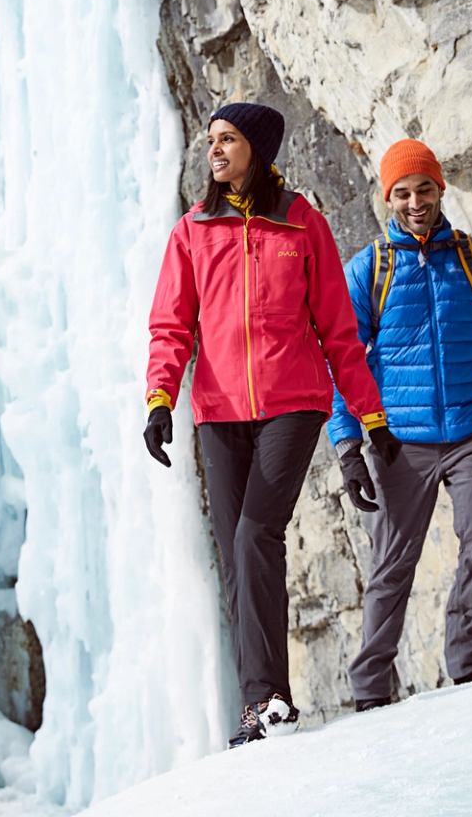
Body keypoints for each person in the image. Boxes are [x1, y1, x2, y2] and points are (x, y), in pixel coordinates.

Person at [143, 101, 401, 747]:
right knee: (235, 556)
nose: (215, 152)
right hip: (219, 411)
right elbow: (171, 324)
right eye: (211, 142)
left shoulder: (301, 224)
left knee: (258, 533)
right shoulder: (194, 231)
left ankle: (266, 699)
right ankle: (261, 707)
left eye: (227, 140)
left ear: (256, 148)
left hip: (294, 402)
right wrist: (158, 400)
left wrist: (372, 416)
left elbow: (340, 332)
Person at [329, 138, 472, 710]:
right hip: (398, 441)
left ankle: (468, 660)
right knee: (391, 565)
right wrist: (348, 446)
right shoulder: (369, 270)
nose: (414, 202)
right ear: (388, 199)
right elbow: (341, 360)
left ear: (440, 189)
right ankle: (370, 689)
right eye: (401, 193)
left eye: (423, 189)